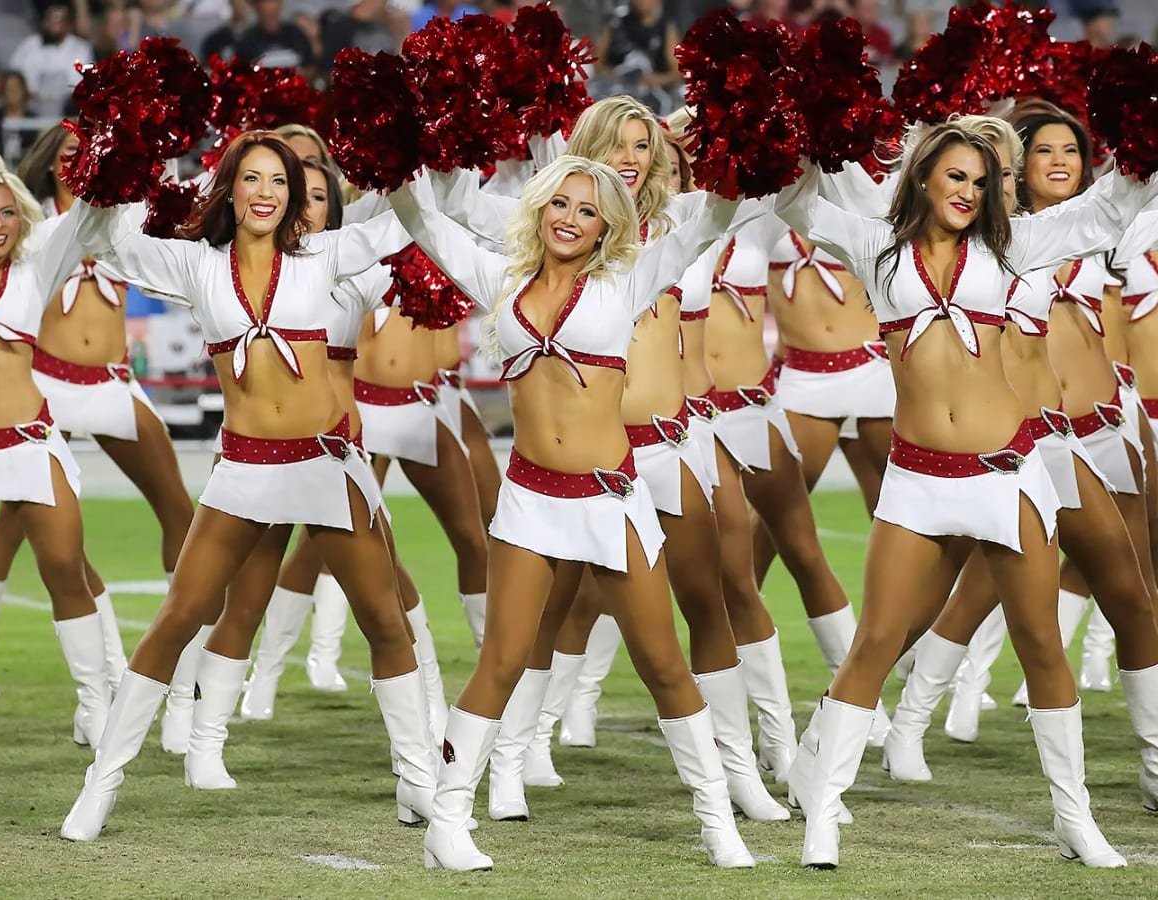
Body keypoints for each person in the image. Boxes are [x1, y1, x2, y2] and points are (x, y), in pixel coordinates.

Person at [777, 118, 1157, 869]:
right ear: (922, 178)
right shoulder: (875, 249)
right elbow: (798, 208)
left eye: (981, 183)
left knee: (1042, 643)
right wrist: (787, 138)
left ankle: (1075, 820)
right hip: (917, 482)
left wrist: (1140, 157)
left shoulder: (1010, 247)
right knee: (876, 645)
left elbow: (1103, 212)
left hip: (1005, 475)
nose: (969, 193)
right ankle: (822, 812)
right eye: (956, 177)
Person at [391, 152, 764, 870]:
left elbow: (710, 225)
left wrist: (740, 158)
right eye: (560, 203)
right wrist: (399, 153)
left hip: (610, 500)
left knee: (663, 663)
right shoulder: (501, 280)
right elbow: (422, 222)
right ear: (538, 208)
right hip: (530, 498)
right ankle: (448, 818)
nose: (570, 218)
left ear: (607, 228)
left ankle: (718, 821)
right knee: (500, 658)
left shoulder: (630, 281)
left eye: (588, 210)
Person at [59, 131, 430, 842]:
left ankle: (418, 780)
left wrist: (417, 158)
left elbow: (403, 226)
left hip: (322, 464)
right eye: (252, 179)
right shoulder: (196, 264)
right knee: (179, 616)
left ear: (293, 197)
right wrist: (118, 164)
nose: (265, 193)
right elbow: (109, 242)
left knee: (383, 618)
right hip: (245, 469)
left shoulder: (321, 255)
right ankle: (99, 787)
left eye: (279, 182)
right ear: (228, 188)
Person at [0, 124, 194, 709]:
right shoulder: (36, 223)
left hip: (103, 386)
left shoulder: (46, 248)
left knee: (106, 540)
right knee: (23, 537)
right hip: (34, 394)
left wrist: (142, 149)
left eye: (5, 213)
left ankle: (150, 681)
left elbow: (145, 213)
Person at [0, 167, 114, 741]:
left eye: (7, 212)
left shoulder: (36, 263)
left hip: (28, 442)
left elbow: (84, 215)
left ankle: (94, 705)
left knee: (64, 571)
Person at [8, 2, 93, 118]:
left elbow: (80, 86)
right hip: (30, 110)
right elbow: (13, 79)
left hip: (68, 112)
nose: (50, 24)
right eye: (48, 19)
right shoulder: (28, 46)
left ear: (68, 24)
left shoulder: (81, 48)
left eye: (56, 19)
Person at [234, 0, 315, 76]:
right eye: (266, 3)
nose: (271, 8)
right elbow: (240, 74)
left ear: (280, 5)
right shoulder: (247, 40)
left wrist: (301, 76)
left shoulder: (296, 34)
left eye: (275, 1)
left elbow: (310, 65)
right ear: (257, 7)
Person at [0, 72, 38, 166]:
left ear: (24, 90)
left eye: (16, 88)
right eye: (8, 88)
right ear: (2, 92)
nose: (13, 92)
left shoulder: (34, 120)